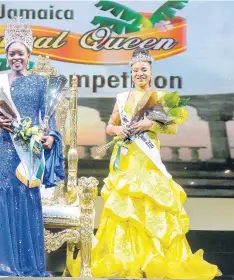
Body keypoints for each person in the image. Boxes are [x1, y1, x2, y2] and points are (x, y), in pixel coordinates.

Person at [67, 48, 221, 279]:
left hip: (148, 158)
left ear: (150, 72)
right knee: (125, 207)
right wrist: (118, 129)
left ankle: (153, 259)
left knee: (151, 203)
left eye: (143, 70)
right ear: (131, 73)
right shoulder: (122, 97)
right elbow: (109, 126)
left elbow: (171, 128)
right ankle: (127, 260)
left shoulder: (159, 98)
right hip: (126, 156)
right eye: (136, 70)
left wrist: (148, 124)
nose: (139, 73)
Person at [0, 17, 65, 276]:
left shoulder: (40, 82)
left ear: (29, 55)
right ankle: (4, 264)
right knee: (6, 195)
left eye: (20, 53)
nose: (16, 57)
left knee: (27, 195)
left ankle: (29, 264)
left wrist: (51, 136)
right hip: (6, 148)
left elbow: (49, 116)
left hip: (29, 148)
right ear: (6, 56)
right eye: (11, 54)